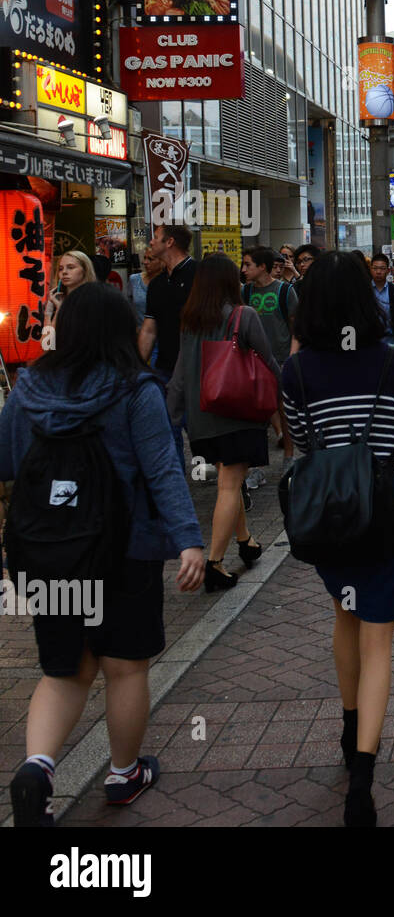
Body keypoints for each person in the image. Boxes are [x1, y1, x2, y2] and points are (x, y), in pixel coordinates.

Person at [1, 285, 206, 827]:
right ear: (119, 331)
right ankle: (122, 773)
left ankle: (38, 770)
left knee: (63, 670)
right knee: (123, 667)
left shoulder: (30, 389)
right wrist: (188, 539)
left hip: (50, 551)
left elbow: (10, 463)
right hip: (126, 548)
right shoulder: (136, 390)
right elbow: (163, 468)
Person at [280, 251, 394, 827]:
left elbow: (301, 444)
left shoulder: (297, 370)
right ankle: (362, 773)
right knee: (378, 639)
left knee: (345, 615)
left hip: (326, 514)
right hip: (382, 507)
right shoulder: (392, 361)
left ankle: (346, 718)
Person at [166, 254, 280, 592]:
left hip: (202, 419)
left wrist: (171, 416)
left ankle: (245, 541)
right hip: (238, 413)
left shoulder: (190, 320)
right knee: (230, 486)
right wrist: (286, 394)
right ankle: (214, 564)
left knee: (229, 482)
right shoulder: (244, 315)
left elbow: (180, 374)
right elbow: (269, 360)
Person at [137, 224, 198, 468]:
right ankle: (177, 483)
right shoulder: (157, 284)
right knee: (169, 431)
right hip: (165, 370)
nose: (151, 242)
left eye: (156, 238)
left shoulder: (200, 275)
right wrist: (138, 368)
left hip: (198, 369)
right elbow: (149, 330)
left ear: (170, 242)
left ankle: (232, 482)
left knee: (200, 433)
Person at [241, 246, 299, 464]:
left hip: (282, 360)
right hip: (253, 363)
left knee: (284, 410)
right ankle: (256, 464)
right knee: (256, 414)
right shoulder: (245, 292)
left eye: (248, 265)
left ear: (262, 267)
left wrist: (291, 359)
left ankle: (289, 457)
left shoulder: (284, 291)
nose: (244, 269)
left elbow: (296, 329)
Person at [369, 251, 394, 351]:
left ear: (388, 270)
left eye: (382, 269)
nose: (378, 272)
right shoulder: (363, 291)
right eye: (375, 268)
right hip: (369, 345)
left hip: (393, 343)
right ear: (370, 269)